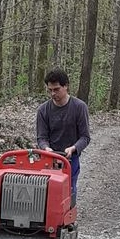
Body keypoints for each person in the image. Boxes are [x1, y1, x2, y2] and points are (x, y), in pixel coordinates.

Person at [36, 68, 90, 206]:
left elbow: (85, 137)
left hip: (70, 158)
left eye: (56, 89)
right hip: (49, 158)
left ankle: (69, 215)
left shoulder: (79, 107)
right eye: (50, 90)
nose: (53, 94)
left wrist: (73, 148)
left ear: (66, 86)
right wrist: (46, 148)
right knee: (45, 193)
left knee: (68, 191)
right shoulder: (43, 110)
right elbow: (41, 137)